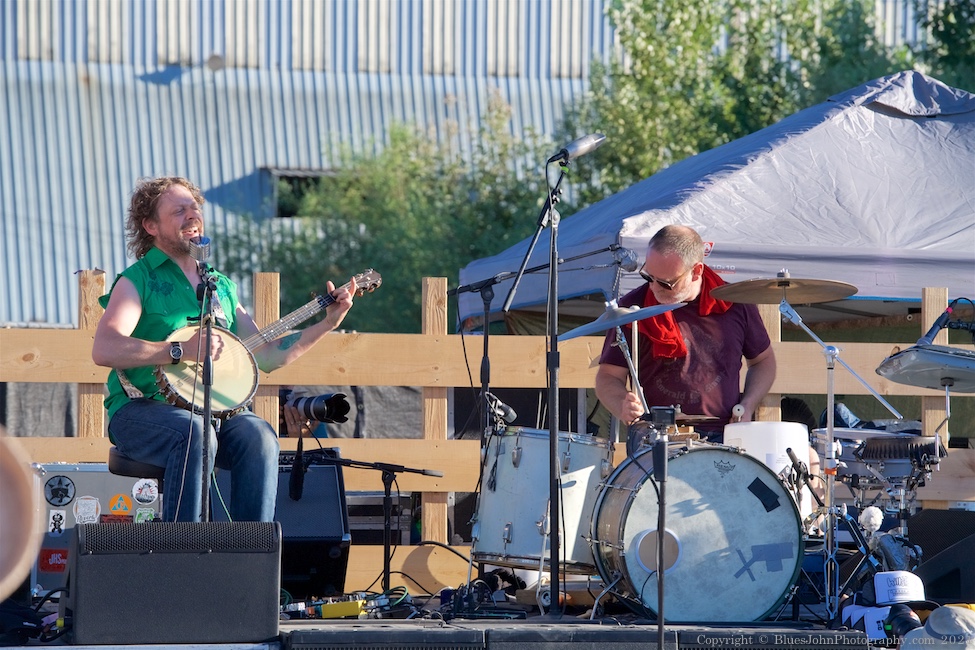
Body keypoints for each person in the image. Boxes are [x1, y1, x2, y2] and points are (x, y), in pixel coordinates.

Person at [92, 176, 356, 523]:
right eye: (179, 211)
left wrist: (327, 324)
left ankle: (250, 550)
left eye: (195, 208)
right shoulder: (137, 280)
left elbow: (267, 355)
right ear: (151, 226)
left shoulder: (221, 287)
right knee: (193, 432)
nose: (192, 215)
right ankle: (183, 548)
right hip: (139, 410)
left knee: (260, 436)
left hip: (213, 414)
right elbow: (105, 348)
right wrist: (179, 350)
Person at [595, 224, 776, 442]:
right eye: (649, 277)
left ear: (696, 271)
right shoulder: (632, 308)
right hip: (656, 434)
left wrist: (747, 405)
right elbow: (608, 376)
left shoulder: (735, 303)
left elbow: (763, 361)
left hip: (724, 433)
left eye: (666, 283)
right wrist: (622, 404)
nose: (654, 288)